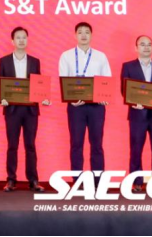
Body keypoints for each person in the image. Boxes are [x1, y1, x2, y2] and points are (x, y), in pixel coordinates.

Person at [58, 22, 112, 183]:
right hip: (76, 107)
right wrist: (71, 99)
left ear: (91, 35)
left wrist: (105, 96)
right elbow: (63, 79)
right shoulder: (66, 56)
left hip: (97, 107)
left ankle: (98, 181)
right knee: (76, 144)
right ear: (75, 35)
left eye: (87, 32)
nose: (83, 35)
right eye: (80, 32)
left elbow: (106, 79)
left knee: (97, 144)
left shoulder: (101, 56)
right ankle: (77, 180)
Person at [0, 27, 49, 193]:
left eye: (24, 37)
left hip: (30, 110)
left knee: (30, 146)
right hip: (12, 110)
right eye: (18, 38)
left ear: (27, 40)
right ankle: (11, 180)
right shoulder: (4, 61)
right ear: (12, 41)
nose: (21, 40)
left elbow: (39, 85)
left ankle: (33, 180)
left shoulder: (35, 61)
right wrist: (2, 99)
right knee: (12, 145)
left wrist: (43, 97)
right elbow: (0, 84)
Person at [120, 35, 152, 193]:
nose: (146, 47)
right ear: (136, 48)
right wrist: (132, 101)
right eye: (142, 44)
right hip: (138, 115)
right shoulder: (128, 66)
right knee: (136, 149)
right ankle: (136, 181)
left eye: (149, 44)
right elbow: (124, 89)